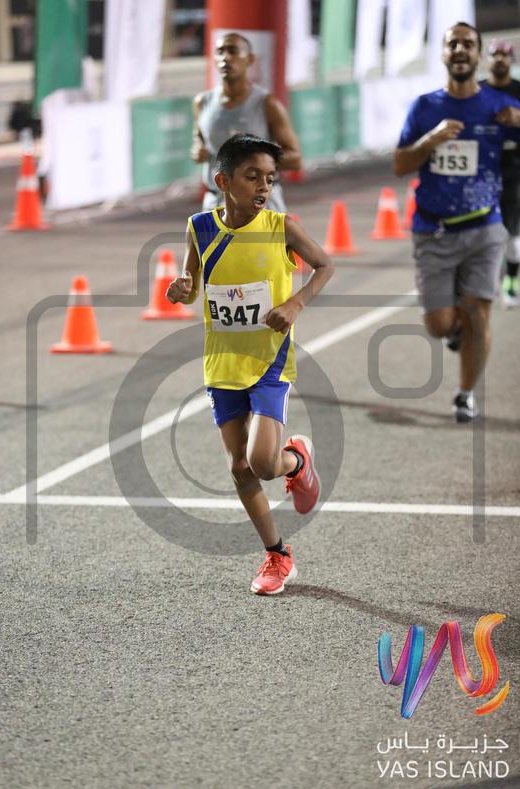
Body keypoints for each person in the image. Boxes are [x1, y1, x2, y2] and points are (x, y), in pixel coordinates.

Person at [167, 134, 334, 594]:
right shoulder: (199, 227)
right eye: (252, 176)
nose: (263, 186)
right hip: (222, 363)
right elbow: (192, 283)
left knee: (262, 463)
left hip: (268, 361)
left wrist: (296, 304)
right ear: (222, 181)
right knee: (239, 468)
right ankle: (278, 556)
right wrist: (182, 288)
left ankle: (295, 460)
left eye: (270, 179)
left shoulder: (282, 227)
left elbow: (324, 265)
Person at [394, 22, 520, 422]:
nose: (461, 49)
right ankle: (456, 330)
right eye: (453, 44)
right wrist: (429, 140)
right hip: (433, 230)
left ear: (479, 55)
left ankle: (465, 394)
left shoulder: (500, 105)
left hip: (485, 226)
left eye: (469, 43)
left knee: (478, 313)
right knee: (439, 324)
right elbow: (400, 165)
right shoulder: (424, 107)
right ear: (444, 54)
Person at [191, 31, 302, 212]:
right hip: (216, 202)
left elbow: (295, 158)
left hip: (260, 205)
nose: (226, 57)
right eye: (220, 52)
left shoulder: (266, 104)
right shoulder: (202, 103)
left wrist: (253, 162)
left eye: (233, 51)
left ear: (250, 59)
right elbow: (199, 141)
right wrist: (198, 151)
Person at [481, 40, 520, 307]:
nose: (499, 58)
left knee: (511, 233)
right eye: (495, 54)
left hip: (514, 169)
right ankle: (488, 280)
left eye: (505, 54)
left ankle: (511, 283)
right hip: (482, 172)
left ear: (512, 60)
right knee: (482, 232)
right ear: (486, 59)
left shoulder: (518, 91)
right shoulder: (476, 91)